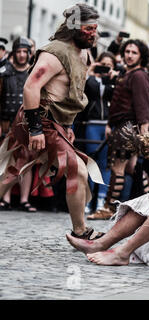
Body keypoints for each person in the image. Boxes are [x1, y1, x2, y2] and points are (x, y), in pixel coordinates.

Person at [0, 3, 105, 240]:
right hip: (40, 120)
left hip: (56, 124)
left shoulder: (83, 53)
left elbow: (72, 93)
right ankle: (81, 231)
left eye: (95, 29)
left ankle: (81, 230)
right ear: (75, 28)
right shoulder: (55, 53)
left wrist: (67, 128)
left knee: (10, 170)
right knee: (77, 171)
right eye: (89, 29)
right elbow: (30, 87)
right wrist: (36, 129)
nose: (93, 34)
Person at [87, 39, 149, 220]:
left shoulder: (139, 75)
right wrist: (109, 124)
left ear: (141, 56)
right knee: (132, 168)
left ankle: (109, 208)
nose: (129, 55)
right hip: (121, 126)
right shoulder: (127, 73)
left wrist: (144, 130)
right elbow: (116, 103)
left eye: (134, 52)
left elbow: (143, 105)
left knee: (118, 168)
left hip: (128, 127)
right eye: (128, 51)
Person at [0, 37, 37, 212]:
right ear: (14, 52)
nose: (22, 55)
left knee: (27, 162)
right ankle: (5, 199)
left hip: (27, 124)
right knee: (7, 161)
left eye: (25, 51)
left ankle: (24, 199)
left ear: (29, 53)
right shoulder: (4, 72)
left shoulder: (34, 72)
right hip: (7, 122)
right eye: (19, 51)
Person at [80, 52, 118, 214]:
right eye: (103, 64)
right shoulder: (91, 79)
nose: (106, 67)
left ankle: (102, 199)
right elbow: (79, 88)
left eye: (109, 65)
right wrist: (90, 70)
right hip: (92, 123)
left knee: (105, 162)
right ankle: (88, 200)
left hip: (109, 125)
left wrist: (115, 77)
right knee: (91, 161)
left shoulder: (116, 80)